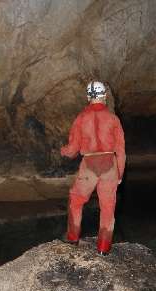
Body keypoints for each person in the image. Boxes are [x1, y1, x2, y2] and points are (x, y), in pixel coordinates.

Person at [60, 81, 126, 255]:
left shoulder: (81, 118)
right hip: (109, 164)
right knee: (108, 207)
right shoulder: (113, 119)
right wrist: (119, 174)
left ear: (88, 97)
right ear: (104, 96)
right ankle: (103, 248)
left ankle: (73, 238)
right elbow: (121, 151)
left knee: (76, 200)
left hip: (89, 164)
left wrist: (63, 151)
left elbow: (72, 150)